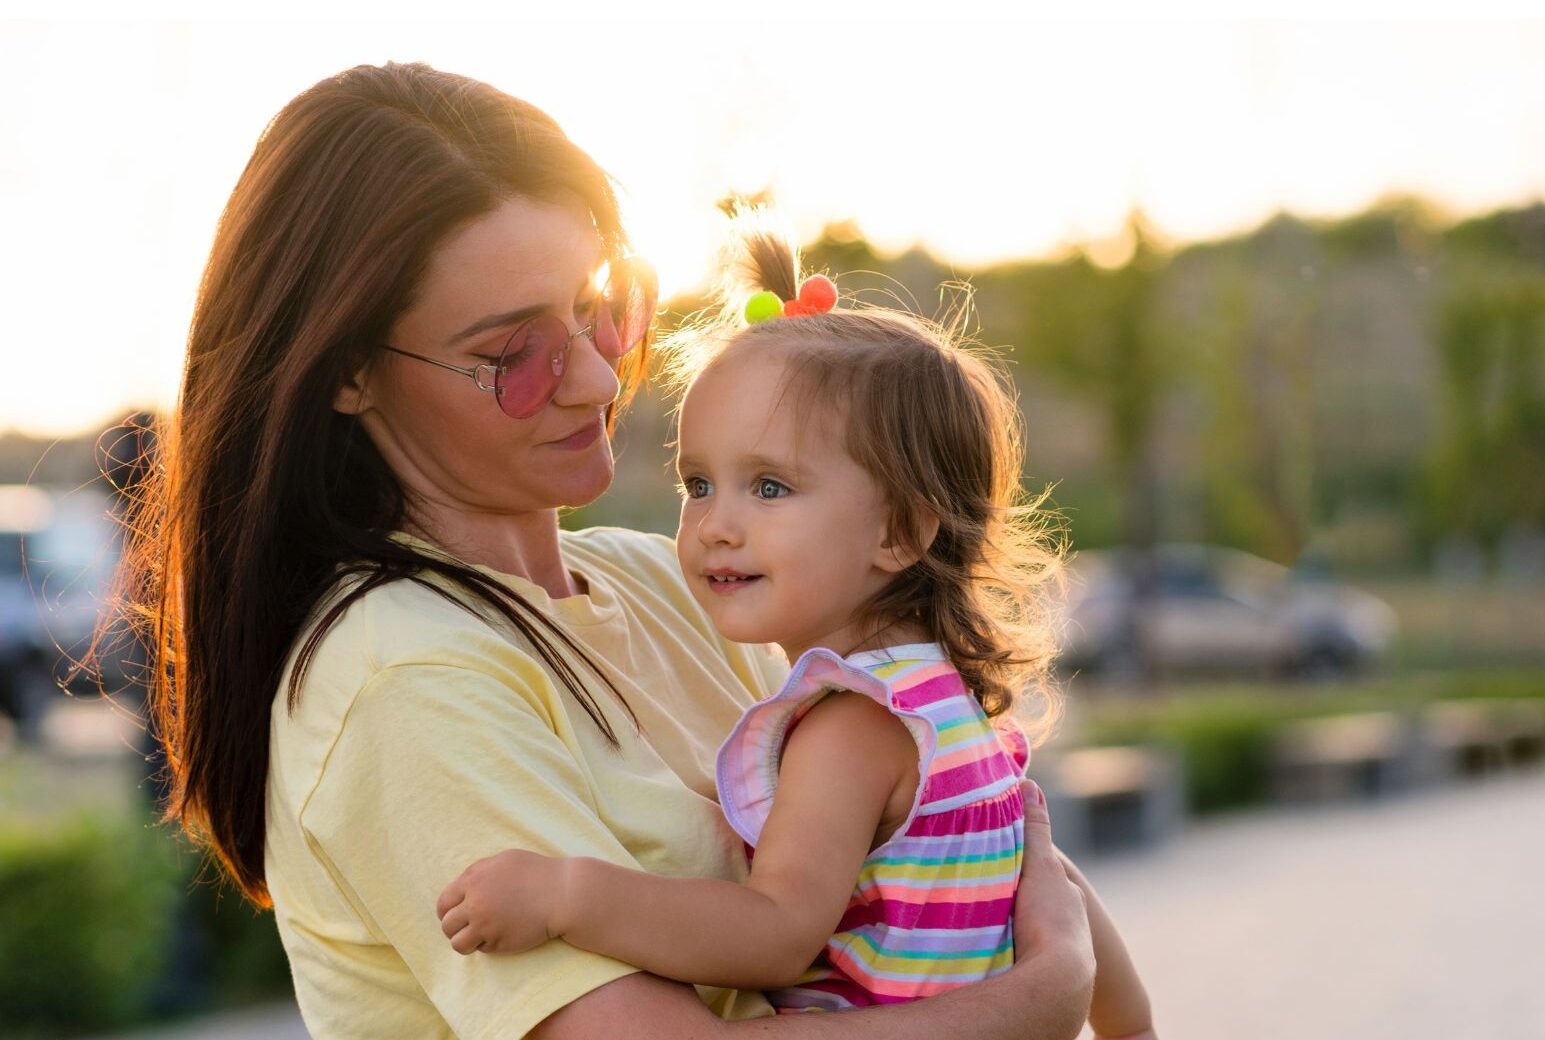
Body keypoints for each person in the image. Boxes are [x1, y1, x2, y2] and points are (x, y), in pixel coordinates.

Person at [115, 61, 1105, 1038]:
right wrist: (1036, 1000)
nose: (594, 378)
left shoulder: (668, 575)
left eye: (604, 310)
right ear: (347, 375)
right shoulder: (404, 673)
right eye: (515, 355)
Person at [434, 217, 1156, 1037]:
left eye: (769, 488)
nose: (715, 525)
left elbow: (776, 933)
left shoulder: (851, 728)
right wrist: (1128, 1026)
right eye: (698, 483)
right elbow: (1055, 889)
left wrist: (569, 896)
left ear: (901, 532)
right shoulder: (949, 708)